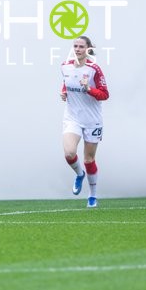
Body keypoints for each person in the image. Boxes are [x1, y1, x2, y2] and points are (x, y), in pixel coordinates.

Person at [60, 36, 109, 208]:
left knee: (89, 159)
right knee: (69, 153)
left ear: (88, 49)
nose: (78, 49)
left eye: (81, 46)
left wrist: (88, 88)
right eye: (75, 46)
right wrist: (63, 92)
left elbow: (104, 94)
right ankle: (79, 174)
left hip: (92, 120)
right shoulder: (65, 66)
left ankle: (92, 196)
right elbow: (66, 83)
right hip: (72, 117)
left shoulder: (94, 69)